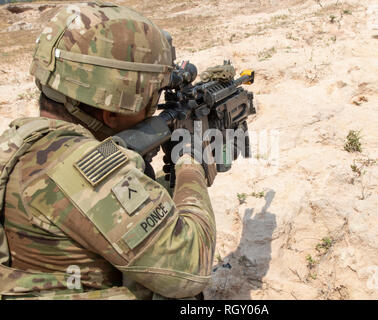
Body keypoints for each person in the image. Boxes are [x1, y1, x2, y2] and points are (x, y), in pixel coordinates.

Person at [0, 1, 216, 300]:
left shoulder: (20, 142)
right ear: (113, 111)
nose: (152, 109)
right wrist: (191, 162)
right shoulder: (85, 168)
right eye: (152, 98)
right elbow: (191, 268)